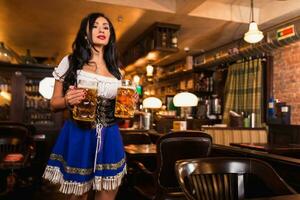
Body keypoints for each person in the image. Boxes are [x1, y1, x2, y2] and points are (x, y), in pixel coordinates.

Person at [43, 12, 128, 200]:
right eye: (96, 26)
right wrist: (67, 100)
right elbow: (53, 104)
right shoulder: (71, 62)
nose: (101, 30)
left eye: (106, 27)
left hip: (110, 136)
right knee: (79, 195)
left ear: (111, 35)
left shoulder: (117, 70)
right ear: (85, 32)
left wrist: (128, 104)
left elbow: (121, 114)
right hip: (80, 133)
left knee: (108, 193)